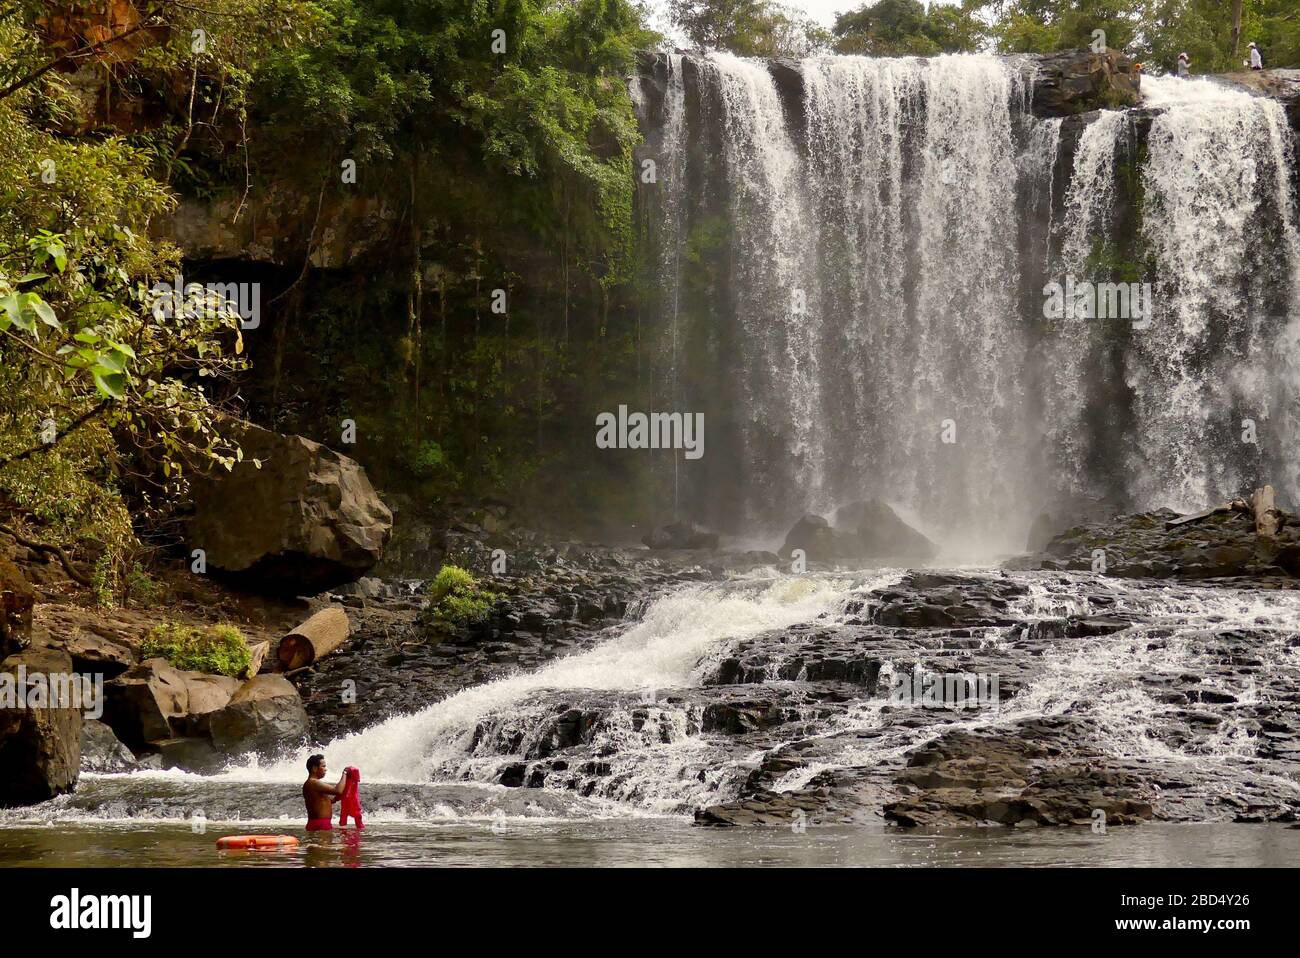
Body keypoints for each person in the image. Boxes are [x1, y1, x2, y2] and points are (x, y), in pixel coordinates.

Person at [303, 753, 346, 831]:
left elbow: (331, 800)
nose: (325, 769)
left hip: (317, 823)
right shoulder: (314, 782)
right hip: (320, 824)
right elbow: (338, 790)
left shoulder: (311, 783)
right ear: (314, 768)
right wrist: (345, 773)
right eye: (323, 766)